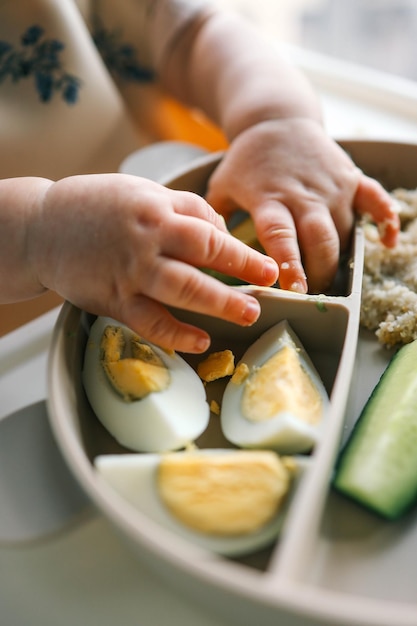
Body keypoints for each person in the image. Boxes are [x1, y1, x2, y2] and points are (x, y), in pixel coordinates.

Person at [0, 0, 399, 353]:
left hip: (175, 194)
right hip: (21, 335)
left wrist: (276, 121)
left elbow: (195, 32)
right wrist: (39, 233)